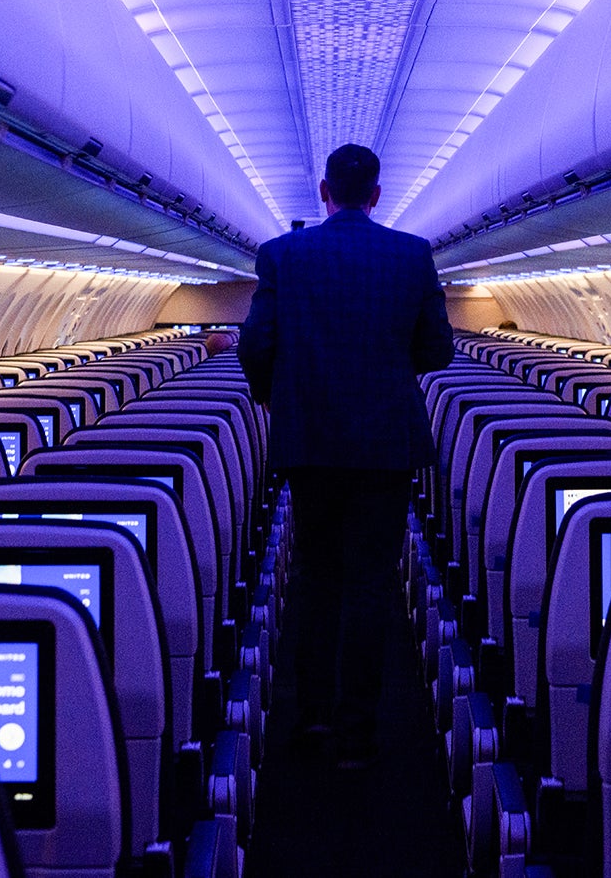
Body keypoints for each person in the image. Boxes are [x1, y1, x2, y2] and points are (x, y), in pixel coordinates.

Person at [238, 142, 454, 766]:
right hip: (386, 443)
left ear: (324, 192)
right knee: (369, 584)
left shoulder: (283, 254)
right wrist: (387, 366)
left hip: (310, 440)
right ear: (377, 194)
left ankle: (311, 721)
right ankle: (358, 733)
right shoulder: (412, 255)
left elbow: (256, 343)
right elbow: (437, 350)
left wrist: (274, 395)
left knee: (316, 577)